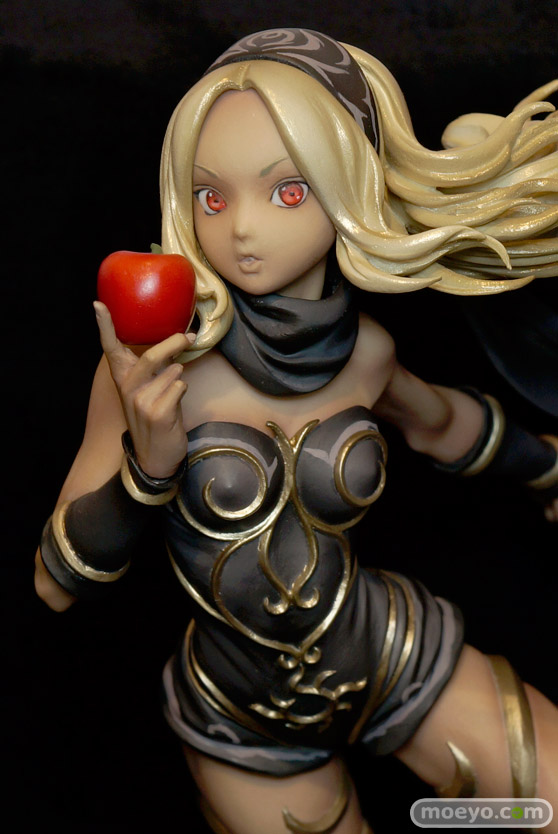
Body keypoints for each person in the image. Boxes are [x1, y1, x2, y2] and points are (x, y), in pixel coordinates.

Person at [34, 29, 558, 834]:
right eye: (213, 198)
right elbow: (54, 583)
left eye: (285, 191)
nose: (242, 230)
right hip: (244, 718)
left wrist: (547, 469)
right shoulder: (154, 369)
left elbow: (444, 424)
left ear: (346, 185)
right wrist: (147, 471)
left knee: (542, 803)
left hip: (387, 649)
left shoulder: (367, 353)